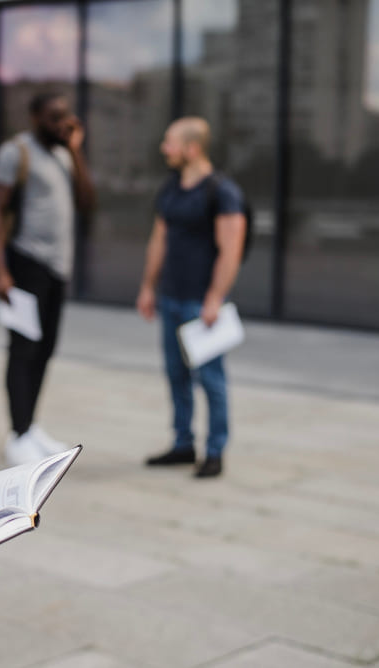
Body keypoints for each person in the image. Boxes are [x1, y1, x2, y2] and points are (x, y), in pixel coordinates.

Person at [0, 92, 95, 466]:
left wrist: (77, 150)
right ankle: (17, 435)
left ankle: (30, 427)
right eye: (53, 117)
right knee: (23, 349)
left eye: (65, 116)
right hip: (26, 264)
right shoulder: (16, 152)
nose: (61, 123)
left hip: (57, 269)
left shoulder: (65, 154)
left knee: (45, 350)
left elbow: (87, 202)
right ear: (34, 117)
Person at [136, 117, 247, 479]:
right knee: (175, 375)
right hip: (170, 298)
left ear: (192, 147)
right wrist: (149, 287)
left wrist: (215, 297)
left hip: (201, 305)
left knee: (211, 380)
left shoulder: (222, 192)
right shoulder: (170, 187)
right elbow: (159, 239)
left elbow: (231, 250)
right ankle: (183, 444)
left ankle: (215, 452)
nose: (164, 149)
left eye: (170, 143)